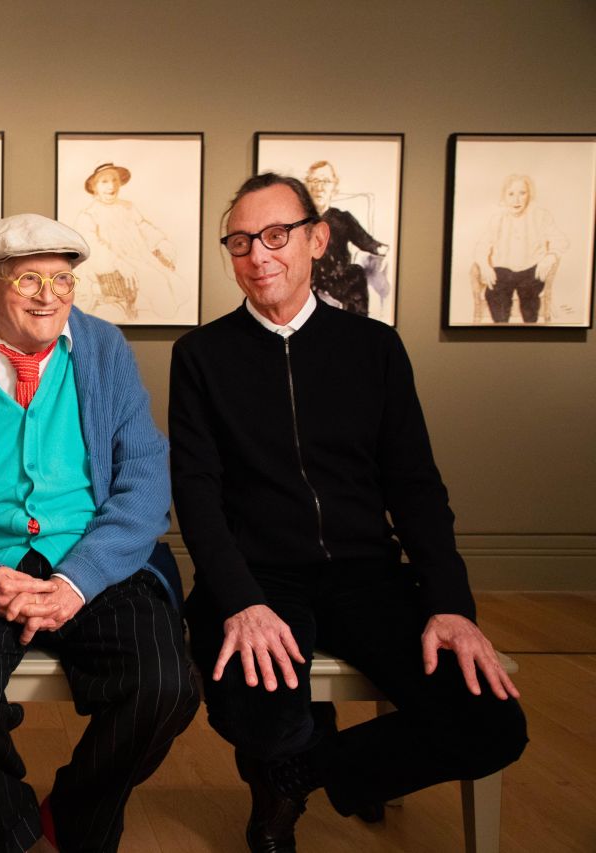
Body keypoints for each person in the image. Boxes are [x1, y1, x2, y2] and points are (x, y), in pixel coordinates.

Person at [169, 172, 528, 853]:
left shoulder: (374, 348)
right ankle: (292, 746)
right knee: (262, 713)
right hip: (257, 576)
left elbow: (417, 487)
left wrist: (450, 603)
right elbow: (197, 494)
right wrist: (240, 598)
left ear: (317, 238)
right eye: (241, 241)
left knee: (492, 723)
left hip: (369, 575)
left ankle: (297, 773)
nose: (259, 255)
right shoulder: (202, 356)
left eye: (276, 235)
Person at [0, 213, 198, 853]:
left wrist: (78, 581)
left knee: (166, 685)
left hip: (91, 561)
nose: (50, 296)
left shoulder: (104, 350)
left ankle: (76, 816)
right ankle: (8, 831)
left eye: (63, 280)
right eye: (29, 279)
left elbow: (144, 481)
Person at [74, 162, 182, 321]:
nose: (111, 186)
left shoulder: (128, 207)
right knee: (158, 284)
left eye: (115, 180)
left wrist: (161, 243)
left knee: (173, 285)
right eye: (104, 182)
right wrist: (117, 262)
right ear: (94, 187)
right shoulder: (88, 215)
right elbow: (92, 246)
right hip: (113, 268)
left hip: (140, 259)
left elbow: (144, 228)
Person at [472, 174, 569, 324]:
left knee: (529, 295)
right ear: (504, 196)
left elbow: (561, 240)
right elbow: (482, 246)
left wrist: (550, 257)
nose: (516, 200)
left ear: (529, 194)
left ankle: (530, 331)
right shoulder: (498, 219)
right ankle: (500, 332)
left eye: (522, 193)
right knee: (495, 294)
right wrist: (484, 265)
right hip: (503, 270)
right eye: (511, 194)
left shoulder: (540, 216)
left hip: (531, 269)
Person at [304, 160, 387, 317]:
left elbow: (368, 242)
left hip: (338, 278)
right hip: (307, 278)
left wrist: (386, 252)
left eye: (325, 181)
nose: (319, 187)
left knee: (356, 272)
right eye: (314, 181)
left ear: (334, 188)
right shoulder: (297, 220)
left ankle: (357, 327)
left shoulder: (343, 218)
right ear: (307, 185)